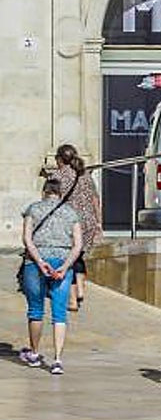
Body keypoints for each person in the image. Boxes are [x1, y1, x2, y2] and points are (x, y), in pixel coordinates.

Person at [19, 178, 83, 375]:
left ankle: (35, 354)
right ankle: (57, 361)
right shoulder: (71, 213)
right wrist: (64, 267)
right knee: (59, 313)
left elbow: (27, 239)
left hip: (35, 262)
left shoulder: (33, 209)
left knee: (36, 310)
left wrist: (39, 261)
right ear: (60, 192)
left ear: (44, 191)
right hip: (62, 260)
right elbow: (78, 245)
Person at [44, 144, 101, 312]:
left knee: (68, 260)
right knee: (79, 255)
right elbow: (95, 200)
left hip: (70, 223)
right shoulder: (85, 175)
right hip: (88, 222)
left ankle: (73, 300)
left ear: (60, 159)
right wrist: (98, 223)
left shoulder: (57, 176)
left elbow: (49, 202)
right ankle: (81, 290)